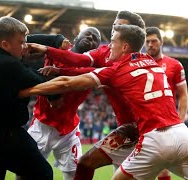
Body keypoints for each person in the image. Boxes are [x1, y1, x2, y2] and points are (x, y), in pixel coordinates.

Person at [21, 24, 188, 180]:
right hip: (181, 135)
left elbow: (67, 82)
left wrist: (27, 91)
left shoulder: (117, 69)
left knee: (95, 168)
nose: (108, 47)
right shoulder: (153, 63)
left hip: (151, 138)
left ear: (124, 46)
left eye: (112, 42)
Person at [38, 10, 145, 180]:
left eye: (120, 26)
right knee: (86, 163)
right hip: (126, 130)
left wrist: (56, 69)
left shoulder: (133, 63)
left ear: (132, 37)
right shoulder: (105, 53)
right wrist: (48, 48)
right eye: (114, 24)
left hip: (145, 131)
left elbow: (94, 72)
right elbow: (78, 60)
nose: (115, 28)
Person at [0, 16, 66, 180]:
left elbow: (25, 39)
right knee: (42, 173)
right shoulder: (5, 64)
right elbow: (41, 82)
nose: (26, 47)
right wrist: (55, 96)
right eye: (21, 43)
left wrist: (56, 40)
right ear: (5, 45)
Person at [16, 27, 101, 180]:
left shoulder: (93, 69)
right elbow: (26, 39)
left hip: (67, 131)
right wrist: (56, 39)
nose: (91, 38)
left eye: (95, 39)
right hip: (41, 125)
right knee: (24, 171)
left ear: (96, 50)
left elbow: (70, 81)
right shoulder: (57, 49)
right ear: (74, 39)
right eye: (87, 34)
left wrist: (57, 72)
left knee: (75, 175)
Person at [144, 27, 188, 179]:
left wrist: (180, 122)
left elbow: (183, 95)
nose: (150, 44)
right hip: (144, 122)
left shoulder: (175, 65)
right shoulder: (138, 64)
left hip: (166, 123)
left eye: (154, 41)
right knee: (143, 168)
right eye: (147, 41)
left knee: (162, 166)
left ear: (161, 42)